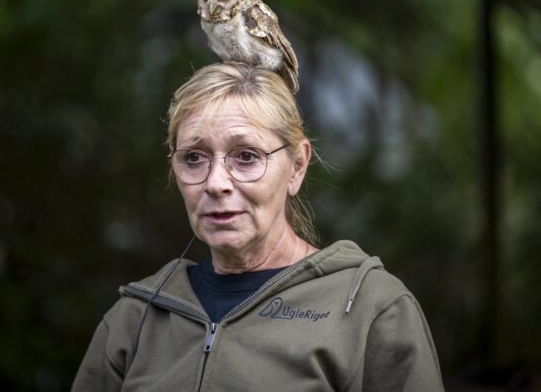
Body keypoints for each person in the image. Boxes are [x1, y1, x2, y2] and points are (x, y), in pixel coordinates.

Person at [72, 61, 444, 391]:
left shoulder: (371, 310)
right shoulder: (135, 317)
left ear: (297, 166)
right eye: (194, 158)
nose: (216, 183)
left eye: (246, 157)